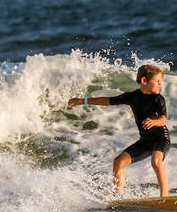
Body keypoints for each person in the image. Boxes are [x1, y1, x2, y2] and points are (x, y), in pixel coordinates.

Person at [68, 64, 170, 197]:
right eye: (157, 81)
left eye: (160, 82)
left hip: (161, 139)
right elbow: (108, 101)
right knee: (118, 162)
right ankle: (118, 197)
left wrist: (154, 121)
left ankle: (164, 197)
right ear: (144, 81)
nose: (160, 84)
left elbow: (163, 119)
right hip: (145, 141)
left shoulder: (158, 98)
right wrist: (83, 101)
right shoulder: (132, 97)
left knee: (156, 161)